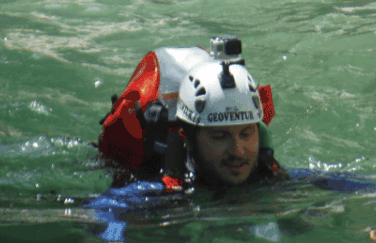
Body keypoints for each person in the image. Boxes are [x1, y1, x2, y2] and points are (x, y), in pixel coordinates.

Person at [96, 36, 286, 191]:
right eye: (220, 136)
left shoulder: (269, 172)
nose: (237, 151)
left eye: (246, 133)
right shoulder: (147, 192)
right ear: (187, 138)